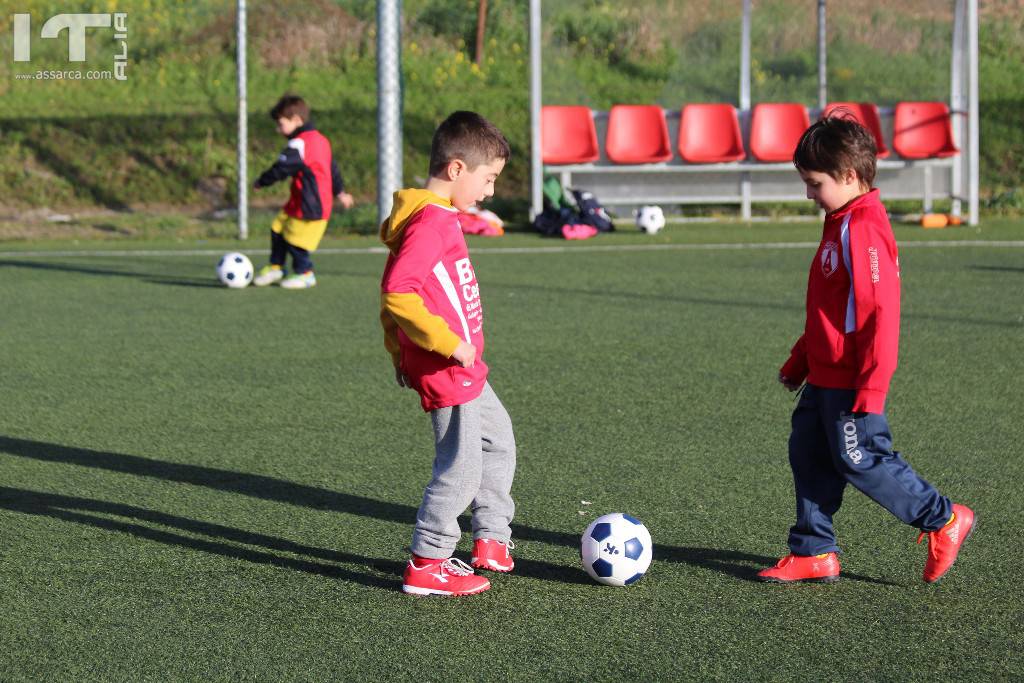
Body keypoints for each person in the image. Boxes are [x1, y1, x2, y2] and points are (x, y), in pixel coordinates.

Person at [758, 114, 975, 584]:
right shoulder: (839, 221)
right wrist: (801, 360)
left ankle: (943, 518)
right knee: (809, 451)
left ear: (850, 176)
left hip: (853, 379)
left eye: (814, 184)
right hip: (824, 373)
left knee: (862, 458)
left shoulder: (864, 229)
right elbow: (833, 310)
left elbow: (880, 316)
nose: (808, 194)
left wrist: (872, 387)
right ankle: (814, 551)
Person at [379, 111, 515, 596]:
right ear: (457, 170)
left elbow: (391, 290)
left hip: (462, 365)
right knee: (461, 465)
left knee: (497, 441)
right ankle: (428, 562)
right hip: (448, 365)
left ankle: (492, 540)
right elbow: (398, 291)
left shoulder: (434, 216)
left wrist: (398, 349)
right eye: (488, 179)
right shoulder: (431, 222)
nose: (491, 192)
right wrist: (447, 344)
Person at [251, 94, 354, 289]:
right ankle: (276, 267)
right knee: (278, 228)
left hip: (311, 204)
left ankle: (305, 273)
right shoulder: (321, 140)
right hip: (299, 201)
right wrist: (341, 192)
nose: (278, 129)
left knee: (296, 240)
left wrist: (261, 182)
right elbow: (332, 168)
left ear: (297, 120)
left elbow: (281, 168)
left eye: (281, 124)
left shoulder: (299, 144)